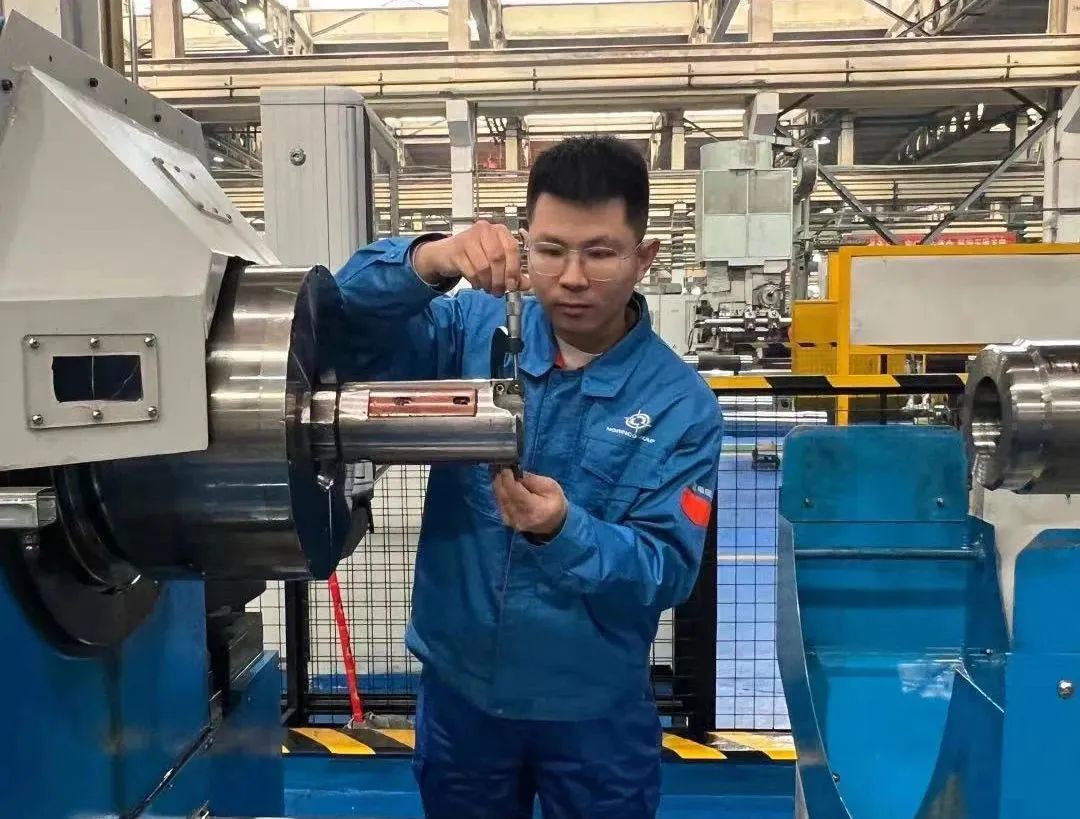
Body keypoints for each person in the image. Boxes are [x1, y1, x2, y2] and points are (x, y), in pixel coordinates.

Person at [334, 135, 723, 819]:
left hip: (593, 710)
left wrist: (562, 530)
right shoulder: (470, 331)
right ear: (525, 244)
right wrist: (429, 260)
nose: (571, 277)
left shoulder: (678, 405)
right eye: (551, 249)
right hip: (462, 696)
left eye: (600, 252)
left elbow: (667, 569)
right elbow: (343, 317)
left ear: (644, 257)